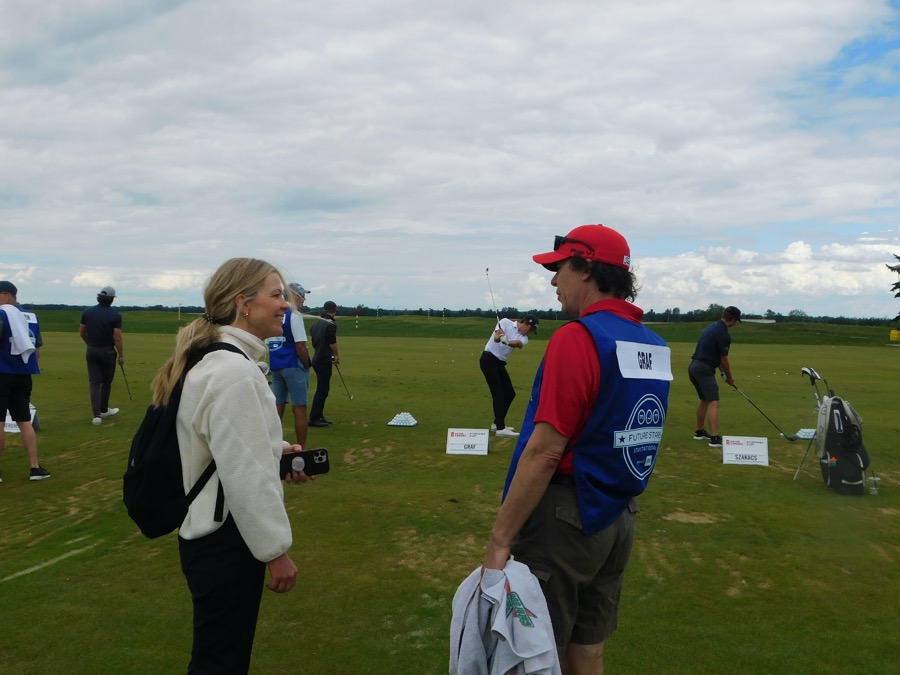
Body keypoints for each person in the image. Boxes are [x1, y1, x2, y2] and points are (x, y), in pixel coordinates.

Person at [481, 225, 673, 674]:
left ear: (586, 269)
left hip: (566, 520)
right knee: (588, 648)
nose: (554, 281)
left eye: (560, 268)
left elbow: (545, 451)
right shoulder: (653, 343)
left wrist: (499, 540)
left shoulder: (577, 336)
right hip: (618, 515)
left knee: (532, 654)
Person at [149, 258, 309, 673]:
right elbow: (246, 476)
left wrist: (278, 453)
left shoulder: (217, 359)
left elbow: (226, 449)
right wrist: (276, 551)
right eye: (277, 295)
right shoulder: (233, 370)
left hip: (210, 535)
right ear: (244, 303)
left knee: (219, 656)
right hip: (224, 539)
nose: (286, 304)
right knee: (221, 662)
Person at [0, 280, 51, 482]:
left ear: (8, 295)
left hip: (2, 373)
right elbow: (36, 351)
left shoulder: (2, 313)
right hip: (23, 376)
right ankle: (35, 468)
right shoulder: (31, 317)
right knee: (24, 420)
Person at [266, 282, 312, 447]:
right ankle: (302, 449)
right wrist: (307, 364)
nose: (304, 300)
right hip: (293, 365)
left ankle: (271, 447)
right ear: (295, 296)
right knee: (299, 409)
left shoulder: (275, 314)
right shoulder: (295, 315)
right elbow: (300, 346)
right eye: (302, 296)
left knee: (276, 410)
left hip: (276, 365)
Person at [688, 305, 741, 448]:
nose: (736, 324)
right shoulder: (723, 334)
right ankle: (714, 438)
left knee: (705, 399)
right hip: (703, 370)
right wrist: (729, 377)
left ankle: (699, 432)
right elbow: (724, 359)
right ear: (733, 319)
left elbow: (715, 356)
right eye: (736, 321)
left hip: (694, 367)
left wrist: (723, 373)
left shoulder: (712, 327)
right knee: (713, 401)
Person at [479, 314, 539, 437]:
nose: (530, 333)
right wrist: (500, 337)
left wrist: (507, 341)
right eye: (530, 329)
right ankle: (500, 429)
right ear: (525, 323)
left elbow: (518, 344)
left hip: (499, 363)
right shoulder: (505, 322)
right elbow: (496, 338)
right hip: (488, 359)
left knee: (510, 393)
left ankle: (497, 423)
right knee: (499, 393)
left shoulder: (524, 338)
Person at [79, 286, 125, 425]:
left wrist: (90, 344)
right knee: (106, 382)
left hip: (91, 350)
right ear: (111, 299)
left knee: (94, 383)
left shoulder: (87, 312)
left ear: (99, 297)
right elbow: (118, 338)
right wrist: (121, 355)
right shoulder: (115, 315)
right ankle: (104, 410)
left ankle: (97, 416)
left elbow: (82, 333)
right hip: (108, 352)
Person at [308, 300, 339, 427]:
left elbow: (314, 341)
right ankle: (314, 418)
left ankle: (319, 415)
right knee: (322, 390)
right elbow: (332, 341)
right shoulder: (330, 324)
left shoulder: (317, 323)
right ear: (334, 311)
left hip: (317, 358)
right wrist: (336, 355)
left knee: (322, 389)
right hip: (324, 360)